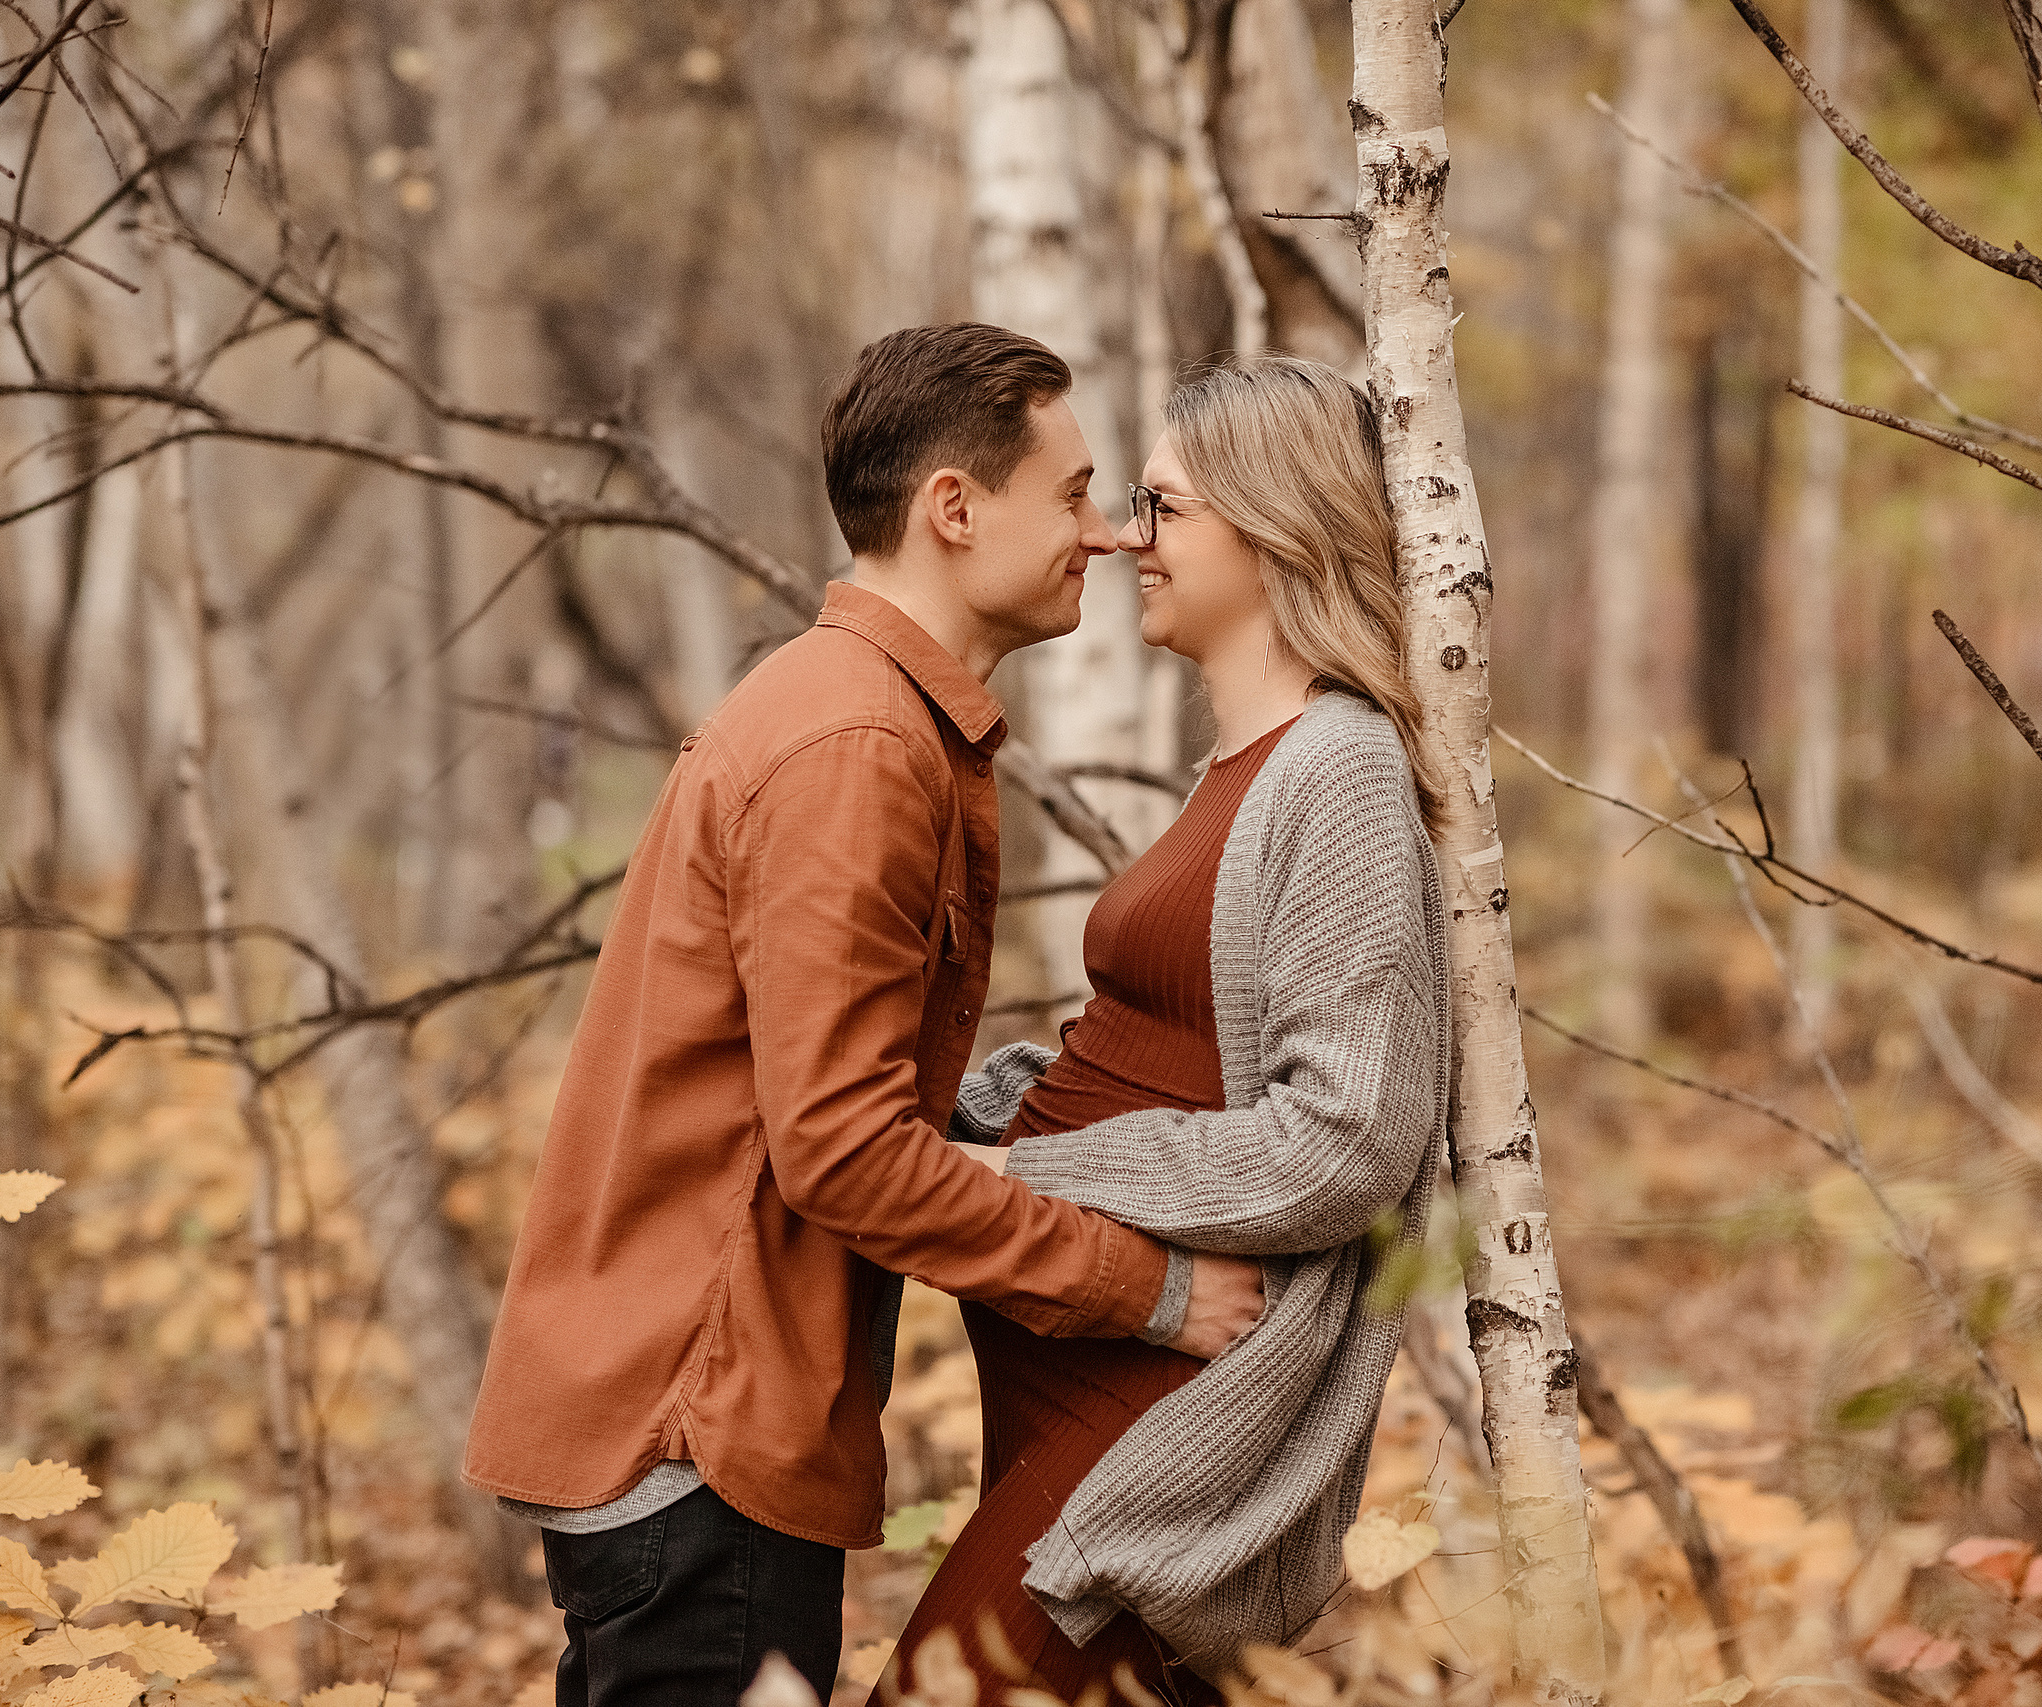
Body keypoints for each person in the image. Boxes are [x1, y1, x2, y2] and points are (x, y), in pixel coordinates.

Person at [464, 322, 1266, 1707]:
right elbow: (839, 1151)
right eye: (1072, 494)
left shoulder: (855, 714)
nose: (1110, 534)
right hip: (697, 1435)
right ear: (954, 509)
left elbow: (805, 1086)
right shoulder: (858, 748)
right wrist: (1156, 1290)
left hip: (685, 1428)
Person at [888, 354, 1452, 1705]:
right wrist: (965, 1109)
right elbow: (1167, 1061)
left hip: (1157, 1423)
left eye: (1160, 509)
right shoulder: (1246, 768)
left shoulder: (1342, 769)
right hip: (1075, 1390)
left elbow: (1346, 1141)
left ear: (1274, 527)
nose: (1120, 539)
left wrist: (1024, 1177)